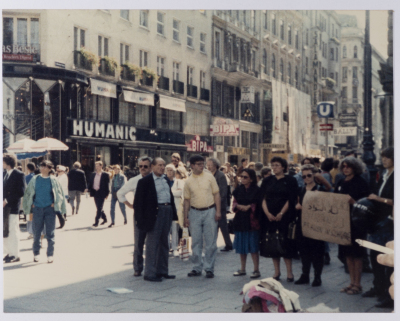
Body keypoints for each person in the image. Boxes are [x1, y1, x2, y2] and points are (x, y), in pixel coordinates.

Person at [133, 158, 177, 282]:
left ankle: (162, 271)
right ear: (152, 167)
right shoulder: (145, 181)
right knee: (152, 244)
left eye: (163, 165)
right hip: (154, 214)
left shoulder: (165, 180)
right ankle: (150, 273)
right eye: (159, 165)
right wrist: (140, 220)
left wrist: (173, 212)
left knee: (164, 243)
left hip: (166, 211)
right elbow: (138, 203)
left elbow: (170, 196)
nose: (162, 167)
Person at [362, 147, 394, 308]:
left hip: (391, 222)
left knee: (388, 258)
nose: (384, 160)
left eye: (387, 157)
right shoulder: (383, 175)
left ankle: (390, 294)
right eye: (383, 157)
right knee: (375, 255)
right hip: (379, 221)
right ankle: (378, 287)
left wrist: (379, 199)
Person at [335, 157, 370, 295]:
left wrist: (353, 202)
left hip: (356, 222)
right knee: (347, 254)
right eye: (343, 166)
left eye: (348, 166)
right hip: (343, 222)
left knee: (357, 254)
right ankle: (351, 282)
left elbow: (366, 206)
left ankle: (358, 283)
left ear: (354, 168)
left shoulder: (361, 182)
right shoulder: (340, 181)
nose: (345, 168)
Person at [259, 156, 298, 282]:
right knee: (272, 243)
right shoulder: (267, 180)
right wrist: (267, 213)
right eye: (273, 165)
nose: (274, 168)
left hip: (285, 216)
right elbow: (262, 198)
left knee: (285, 243)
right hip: (269, 216)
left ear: (283, 167)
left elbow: (291, 199)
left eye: (277, 165)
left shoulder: (290, 180)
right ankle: (276, 272)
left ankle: (290, 273)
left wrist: (281, 213)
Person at [183, 155, 221, 279]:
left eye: (202, 163)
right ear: (192, 165)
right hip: (194, 212)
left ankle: (209, 268)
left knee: (210, 242)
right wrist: (185, 217)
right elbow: (187, 200)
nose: (201, 166)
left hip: (210, 211)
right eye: (198, 164)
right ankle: (196, 267)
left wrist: (218, 211)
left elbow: (216, 194)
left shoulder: (209, 177)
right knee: (196, 241)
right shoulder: (188, 181)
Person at [23, 160, 66, 263]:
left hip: (49, 209)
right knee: (36, 232)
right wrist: (31, 203)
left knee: (50, 233)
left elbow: (59, 194)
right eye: (41, 166)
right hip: (37, 208)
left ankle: (50, 254)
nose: (42, 168)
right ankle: (36, 253)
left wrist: (54, 204)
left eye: (45, 167)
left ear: (50, 169)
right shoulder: (35, 179)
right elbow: (28, 193)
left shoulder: (53, 180)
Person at [117, 156, 152, 277]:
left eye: (145, 166)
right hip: (140, 214)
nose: (142, 168)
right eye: (140, 166)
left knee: (152, 242)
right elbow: (120, 193)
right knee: (138, 242)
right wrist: (130, 205)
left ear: (151, 167)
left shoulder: (155, 179)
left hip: (153, 213)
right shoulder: (134, 180)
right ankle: (137, 268)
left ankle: (151, 267)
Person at [294, 165, 326, 287]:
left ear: (314, 175)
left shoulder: (320, 189)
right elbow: (296, 204)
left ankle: (317, 277)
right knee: (303, 251)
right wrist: (297, 206)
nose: (306, 178)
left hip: (316, 225)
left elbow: (324, 208)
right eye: (304, 176)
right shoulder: (301, 189)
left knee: (317, 252)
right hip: (302, 223)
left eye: (309, 175)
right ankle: (305, 275)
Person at [231, 169, 261, 279]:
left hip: (252, 221)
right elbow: (234, 202)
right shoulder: (238, 189)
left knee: (253, 246)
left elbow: (259, 203)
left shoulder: (257, 190)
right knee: (241, 246)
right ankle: (242, 268)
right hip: (240, 219)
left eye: (245, 177)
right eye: (241, 176)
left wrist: (250, 206)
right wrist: (239, 206)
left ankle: (256, 269)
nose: (242, 179)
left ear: (251, 179)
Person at [3, 154, 26, 263]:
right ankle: (9, 252)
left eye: (2, 162)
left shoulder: (19, 174)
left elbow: (21, 192)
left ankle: (15, 255)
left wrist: (6, 200)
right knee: (5, 230)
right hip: (4, 207)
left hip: (12, 206)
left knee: (13, 230)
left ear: (8, 163)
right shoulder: (4, 174)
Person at [207, 158, 233, 252]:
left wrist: (219, 203)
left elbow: (223, 191)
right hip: (211, 204)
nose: (208, 166)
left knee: (223, 225)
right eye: (208, 165)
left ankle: (229, 244)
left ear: (215, 165)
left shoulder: (220, 175)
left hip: (219, 204)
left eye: (210, 164)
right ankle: (214, 244)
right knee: (214, 226)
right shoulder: (208, 175)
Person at [87, 161, 110, 227]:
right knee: (98, 207)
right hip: (95, 192)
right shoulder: (93, 174)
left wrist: (107, 194)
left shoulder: (105, 175)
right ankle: (105, 218)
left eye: (98, 166)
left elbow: (107, 185)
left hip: (102, 192)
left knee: (99, 208)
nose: (97, 167)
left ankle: (96, 221)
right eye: (96, 166)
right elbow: (90, 183)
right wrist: (87, 188)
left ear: (101, 166)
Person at [171, 166, 187, 256]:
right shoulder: (186, 181)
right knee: (182, 228)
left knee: (176, 229)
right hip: (182, 207)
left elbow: (180, 192)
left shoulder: (179, 181)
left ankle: (175, 248)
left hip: (178, 207)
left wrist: (171, 191)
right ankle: (184, 247)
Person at [25, 162, 36, 239]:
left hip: (29, 198)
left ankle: (31, 232)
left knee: (29, 215)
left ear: (28, 168)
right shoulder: (37, 176)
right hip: (37, 198)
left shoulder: (26, 177)